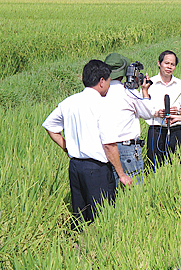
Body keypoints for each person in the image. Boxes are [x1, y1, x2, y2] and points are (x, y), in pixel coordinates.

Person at [42, 59, 133, 230]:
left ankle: (78, 248)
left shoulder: (69, 102)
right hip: (96, 169)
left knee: (80, 215)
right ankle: (98, 249)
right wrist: (121, 174)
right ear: (101, 81)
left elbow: (49, 126)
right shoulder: (102, 105)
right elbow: (109, 145)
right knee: (102, 217)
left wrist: (66, 147)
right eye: (108, 81)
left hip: (75, 167)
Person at [103, 53, 155, 186]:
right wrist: (144, 91)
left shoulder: (99, 92)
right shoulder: (128, 93)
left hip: (105, 148)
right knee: (134, 191)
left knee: (110, 192)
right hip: (127, 149)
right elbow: (148, 112)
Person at [144, 50, 181, 168]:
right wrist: (157, 113)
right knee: (153, 166)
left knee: (176, 165)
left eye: (172, 64)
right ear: (159, 63)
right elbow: (143, 110)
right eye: (166, 63)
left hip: (175, 130)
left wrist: (178, 112)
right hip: (156, 130)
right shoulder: (150, 84)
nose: (169, 67)